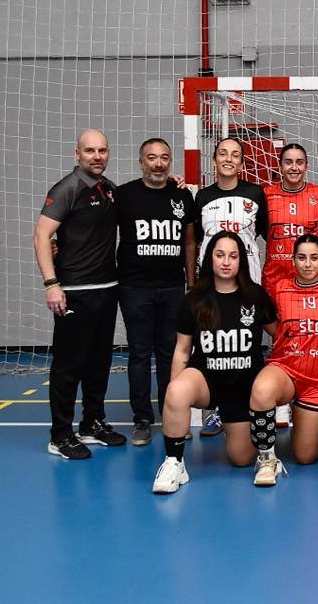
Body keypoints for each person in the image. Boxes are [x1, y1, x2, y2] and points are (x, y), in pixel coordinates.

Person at [151, 231, 277, 493]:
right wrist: (174, 397)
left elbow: (281, 336)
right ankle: (174, 463)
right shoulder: (194, 299)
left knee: (241, 458)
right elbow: (182, 351)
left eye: (233, 256)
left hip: (243, 387)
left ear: (241, 260)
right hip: (206, 379)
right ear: (210, 258)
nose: (226, 262)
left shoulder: (255, 296)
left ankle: (237, 423)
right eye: (220, 255)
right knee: (176, 390)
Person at [34, 129, 125, 459]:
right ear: (77, 154)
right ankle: (60, 435)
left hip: (107, 289)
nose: (97, 156)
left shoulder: (109, 189)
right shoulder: (67, 188)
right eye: (90, 150)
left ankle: (91, 423)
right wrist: (51, 284)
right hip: (74, 291)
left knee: (99, 363)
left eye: (102, 150)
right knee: (68, 366)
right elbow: (41, 235)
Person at [115, 138, 197, 446]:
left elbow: (189, 242)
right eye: (151, 158)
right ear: (141, 162)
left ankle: (170, 414)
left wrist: (191, 284)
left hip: (173, 287)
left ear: (170, 161)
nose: (158, 163)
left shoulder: (182, 195)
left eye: (164, 157)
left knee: (169, 353)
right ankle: (142, 419)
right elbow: (98, 229)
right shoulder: (124, 195)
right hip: (134, 288)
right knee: (139, 353)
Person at [247, 235, 318, 486]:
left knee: (305, 456)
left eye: (314, 258)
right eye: (301, 258)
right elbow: (271, 324)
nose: (308, 264)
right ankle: (267, 458)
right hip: (286, 368)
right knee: (261, 389)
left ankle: (301, 416)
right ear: (293, 260)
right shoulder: (280, 288)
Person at [194, 136, 268, 437]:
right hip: (212, 285)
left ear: (242, 162)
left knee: (248, 344)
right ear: (214, 159)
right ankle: (218, 407)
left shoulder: (255, 193)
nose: (228, 159)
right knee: (216, 344)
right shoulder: (202, 196)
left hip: (247, 283)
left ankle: (253, 403)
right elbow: (196, 239)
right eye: (223, 153)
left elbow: (264, 233)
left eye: (235, 155)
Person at [262, 143, 318, 429]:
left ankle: (308, 394)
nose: (294, 167)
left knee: (309, 336)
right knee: (280, 336)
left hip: (310, 281)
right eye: (288, 161)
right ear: (280, 165)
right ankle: (281, 401)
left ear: (307, 165)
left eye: (299, 162)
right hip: (276, 278)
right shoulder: (266, 194)